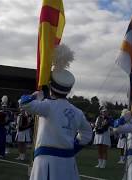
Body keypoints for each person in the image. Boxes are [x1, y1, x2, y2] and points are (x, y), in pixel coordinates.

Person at [20, 44, 93, 180]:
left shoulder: (47, 106)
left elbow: (23, 103)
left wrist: (36, 95)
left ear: (51, 86)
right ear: (69, 90)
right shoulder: (77, 112)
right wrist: (73, 147)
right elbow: (88, 134)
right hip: (68, 161)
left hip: (45, 162)